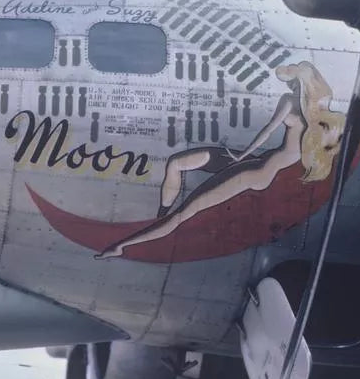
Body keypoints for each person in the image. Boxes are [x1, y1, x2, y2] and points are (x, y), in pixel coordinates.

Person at [96, 61, 345, 259]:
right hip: (256, 162)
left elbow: (268, 130)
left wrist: (241, 156)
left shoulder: (291, 103)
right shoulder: (320, 119)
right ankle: (160, 216)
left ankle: (124, 244)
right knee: (176, 163)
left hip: (255, 171)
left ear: (300, 84)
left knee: (184, 214)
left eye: (292, 82)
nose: (290, 87)